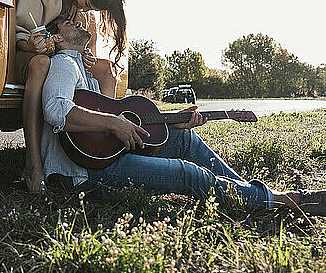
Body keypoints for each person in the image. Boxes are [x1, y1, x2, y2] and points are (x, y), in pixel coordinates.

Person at [39, 14, 326, 215]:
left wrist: (171, 119)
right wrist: (114, 123)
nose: (78, 21)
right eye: (68, 22)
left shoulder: (84, 70)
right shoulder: (64, 64)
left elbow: (119, 115)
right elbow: (55, 109)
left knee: (185, 140)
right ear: (56, 35)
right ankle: (281, 200)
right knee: (184, 172)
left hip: (104, 157)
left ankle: (248, 195)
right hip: (82, 175)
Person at [15, 0, 125, 192]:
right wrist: (30, 45)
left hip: (54, 51)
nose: (83, 11)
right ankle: (33, 163)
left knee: (106, 69)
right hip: (19, 51)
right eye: (87, 4)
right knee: (41, 63)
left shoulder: (76, 2)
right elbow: (17, 30)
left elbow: (67, 40)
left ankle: (101, 141)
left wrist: (83, 54)